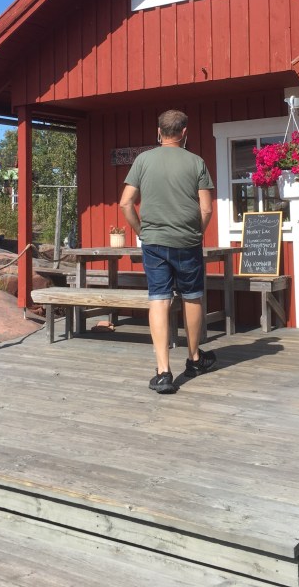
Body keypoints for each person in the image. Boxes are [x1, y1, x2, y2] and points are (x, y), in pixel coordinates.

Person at [120, 109, 216, 393]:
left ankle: (163, 372)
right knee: (192, 296)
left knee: (159, 300)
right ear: (184, 132)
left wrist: (141, 231)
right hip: (187, 242)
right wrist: (197, 233)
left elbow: (125, 203)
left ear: (159, 131)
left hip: (154, 242)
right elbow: (206, 208)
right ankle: (194, 359)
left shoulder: (143, 160)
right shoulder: (196, 162)